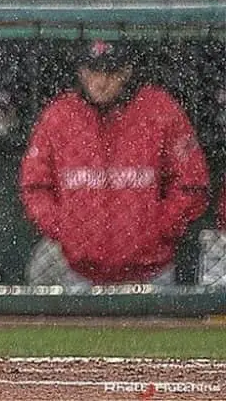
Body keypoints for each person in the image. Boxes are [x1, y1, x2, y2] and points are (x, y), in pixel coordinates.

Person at [20, 39, 210, 287]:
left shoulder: (160, 109)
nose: (100, 81)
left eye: (110, 72)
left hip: (151, 271)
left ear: (127, 72)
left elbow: (192, 183)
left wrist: (158, 229)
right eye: (92, 71)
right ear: (81, 72)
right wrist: (66, 230)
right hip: (77, 270)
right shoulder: (60, 115)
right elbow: (34, 185)